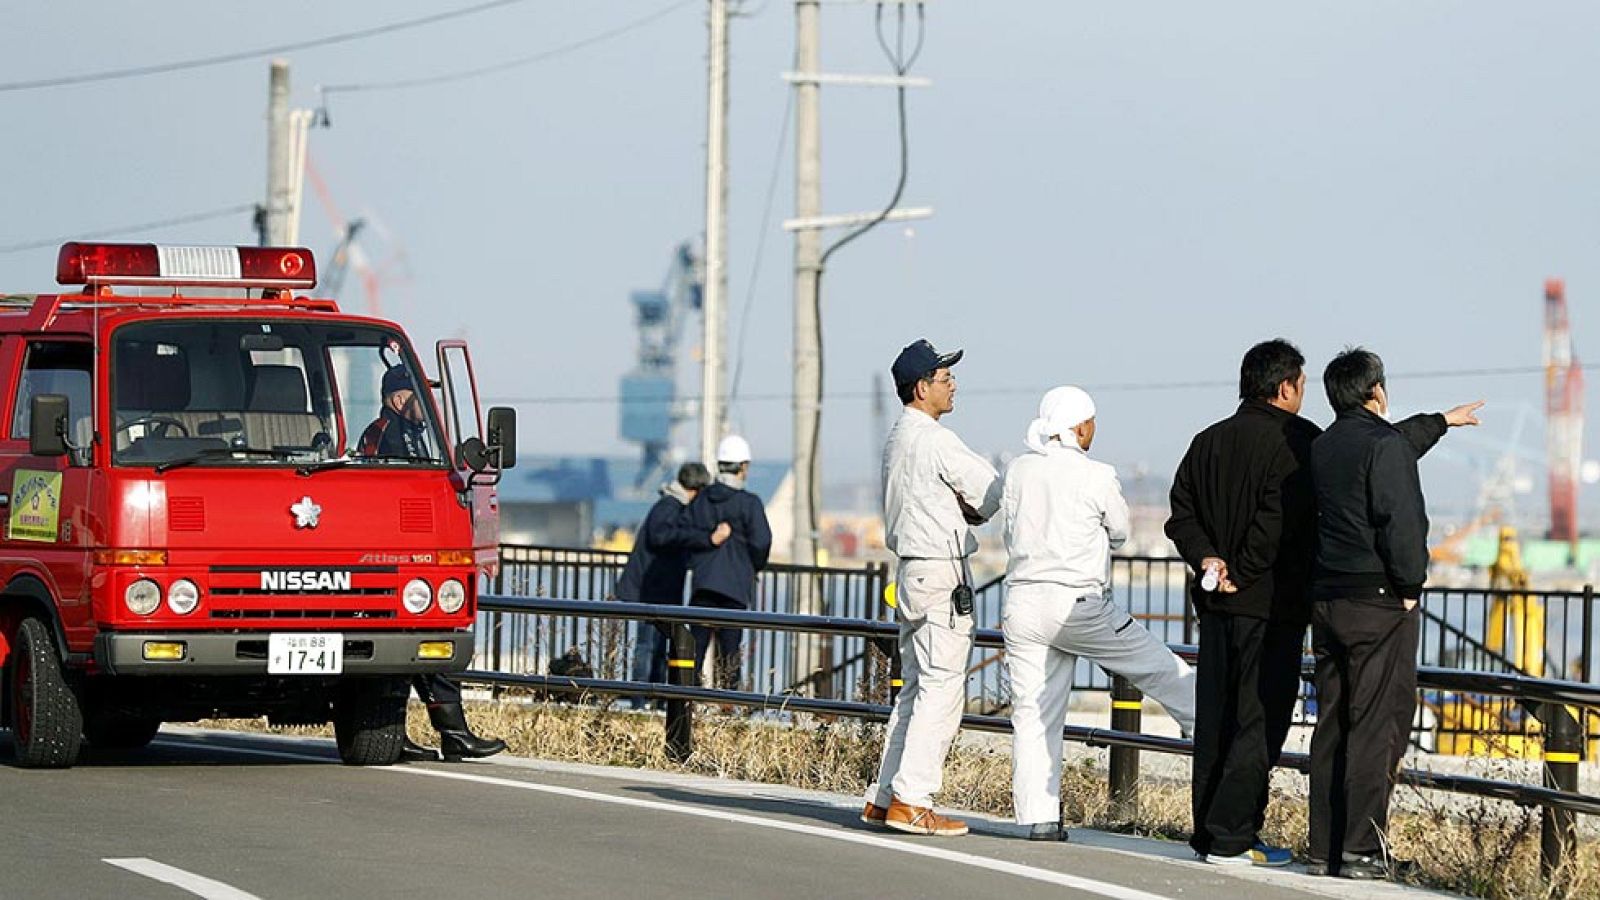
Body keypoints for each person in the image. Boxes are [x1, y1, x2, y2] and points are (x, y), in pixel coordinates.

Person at [1169, 340, 1484, 867]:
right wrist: (1243, 572)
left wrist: (1210, 562)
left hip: (1220, 604)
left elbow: (1181, 513)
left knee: (1218, 717)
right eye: (1301, 384)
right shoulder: (1297, 442)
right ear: (1287, 386)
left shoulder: (1208, 440)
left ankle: (1211, 833)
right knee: (1261, 720)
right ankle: (1236, 838)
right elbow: (1282, 518)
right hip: (1275, 605)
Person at [1306, 348, 1480, 880]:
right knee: (1378, 725)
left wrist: (1441, 422)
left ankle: (1326, 848)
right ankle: (1362, 851)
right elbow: (1401, 522)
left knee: (1333, 723)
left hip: (1327, 601)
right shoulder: (1383, 447)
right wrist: (1410, 586)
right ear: (1377, 390)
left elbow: (1390, 443)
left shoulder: (1321, 446)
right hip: (1378, 603)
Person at [1004, 386, 1196, 842]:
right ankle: (1207, 726)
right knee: (1156, 666)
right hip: (1078, 604)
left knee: (1033, 713)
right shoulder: (1097, 475)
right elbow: (1120, 531)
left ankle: (1039, 818)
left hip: (1023, 603)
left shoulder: (1019, 470)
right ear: (1082, 426)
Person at [862, 339, 1001, 838]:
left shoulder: (897, 437)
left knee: (915, 689)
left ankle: (884, 798)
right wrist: (974, 512)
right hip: (941, 571)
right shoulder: (936, 438)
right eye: (945, 379)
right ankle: (912, 800)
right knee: (942, 689)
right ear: (922, 388)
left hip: (911, 572)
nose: (953, 384)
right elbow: (991, 490)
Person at [615, 462, 730, 707]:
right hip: (651, 590)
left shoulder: (670, 505)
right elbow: (662, 537)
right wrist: (706, 539)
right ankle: (641, 699)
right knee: (648, 647)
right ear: (696, 489)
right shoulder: (670, 506)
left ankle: (650, 698)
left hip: (656, 588)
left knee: (656, 646)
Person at [684, 435, 772, 691]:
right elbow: (762, 542)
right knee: (730, 655)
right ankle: (729, 706)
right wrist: (751, 566)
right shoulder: (749, 504)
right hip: (734, 587)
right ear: (743, 467)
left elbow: (686, 536)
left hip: (703, 585)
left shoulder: (701, 500)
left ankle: (684, 702)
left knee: (694, 652)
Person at [358, 365, 433, 459]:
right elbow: (409, 473)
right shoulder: (391, 435)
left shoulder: (409, 430)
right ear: (399, 402)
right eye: (421, 395)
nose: (429, 400)